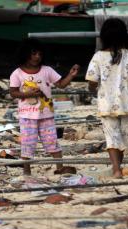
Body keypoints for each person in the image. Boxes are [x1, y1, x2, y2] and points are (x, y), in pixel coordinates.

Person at [85, 18, 128, 178]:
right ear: (124, 36)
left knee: (112, 137)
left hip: (106, 104)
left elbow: (92, 82)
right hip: (127, 105)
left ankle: (116, 169)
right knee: (125, 138)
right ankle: (117, 168)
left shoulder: (98, 57)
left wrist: (93, 89)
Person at [10, 39, 79, 176]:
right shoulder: (17, 73)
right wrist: (27, 94)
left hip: (46, 114)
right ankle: (26, 171)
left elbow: (61, 84)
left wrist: (71, 75)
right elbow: (13, 93)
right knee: (28, 144)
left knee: (52, 141)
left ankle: (60, 168)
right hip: (27, 116)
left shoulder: (47, 70)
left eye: (40, 54)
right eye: (33, 54)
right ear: (25, 54)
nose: (37, 57)